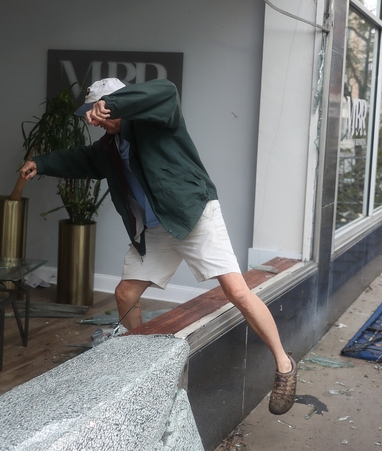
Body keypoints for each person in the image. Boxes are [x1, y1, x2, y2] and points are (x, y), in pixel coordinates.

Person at [20, 78, 297, 415]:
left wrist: (115, 105)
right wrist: (43, 163)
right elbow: (81, 159)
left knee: (237, 292)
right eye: (95, 114)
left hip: (193, 215)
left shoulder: (157, 119)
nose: (98, 122)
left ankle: (284, 367)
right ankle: (144, 369)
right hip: (156, 229)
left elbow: (165, 89)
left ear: (118, 105)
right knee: (124, 294)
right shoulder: (109, 146)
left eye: (103, 113)